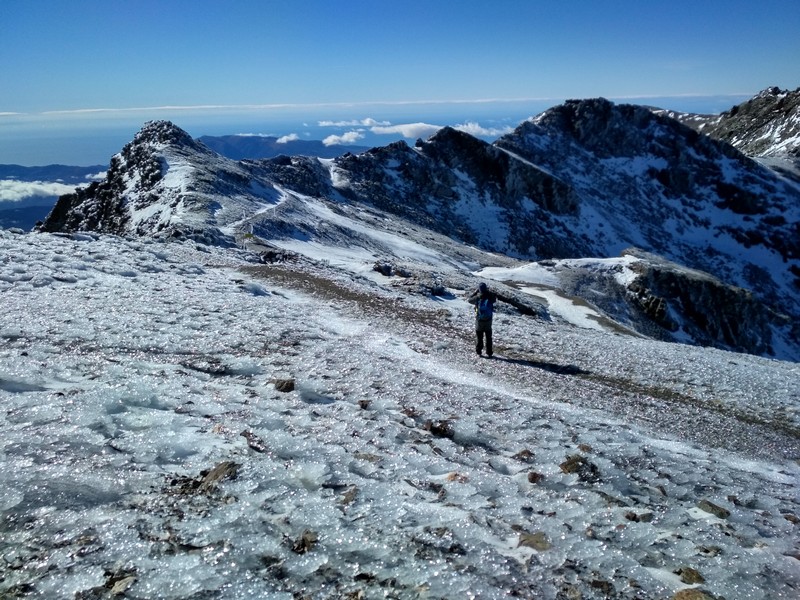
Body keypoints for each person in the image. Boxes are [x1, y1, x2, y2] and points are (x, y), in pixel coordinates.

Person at [467, 282, 497, 357]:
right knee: (488, 337)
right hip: (488, 320)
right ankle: (489, 352)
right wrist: (488, 292)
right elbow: (494, 299)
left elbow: (469, 300)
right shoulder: (490, 296)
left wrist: (475, 292)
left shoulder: (477, 297)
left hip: (479, 320)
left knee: (479, 337)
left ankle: (479, 351)